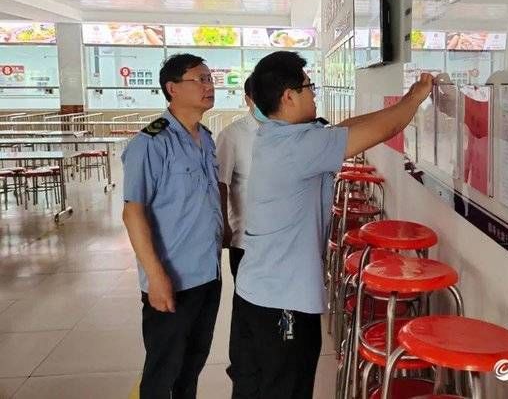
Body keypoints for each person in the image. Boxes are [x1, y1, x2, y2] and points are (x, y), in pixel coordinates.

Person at [228, 51, 434, 399]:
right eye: (309, 86)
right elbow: (389, 127)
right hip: (283, 301)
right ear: (288, 96)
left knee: (253, 387)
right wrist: (415, 97)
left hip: (256, 292)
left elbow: (345, 129)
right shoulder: (297, 146)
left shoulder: (276, 135)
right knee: (285, 388)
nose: (314, 93)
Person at [121, 53, 223, 399]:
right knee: (163, 370)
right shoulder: (151, 142)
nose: (209, 86)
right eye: (200, 79)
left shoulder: (206, 138)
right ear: (172, 88)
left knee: (192, 365)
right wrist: (155, 277)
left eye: (211, 78)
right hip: (172, 279)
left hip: (207, 275)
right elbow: (133, 213)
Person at [217, 75, 264, 281]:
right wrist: (224, 226)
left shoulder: (284, 132)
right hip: (244, 239)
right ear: (248, 100)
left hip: (279, 240)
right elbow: (220, 183)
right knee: (246, 298)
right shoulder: (232, 135)